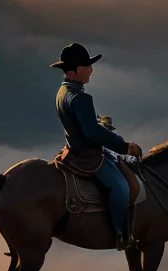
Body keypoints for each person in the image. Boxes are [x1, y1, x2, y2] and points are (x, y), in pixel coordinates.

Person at [52, 43, 143, 250]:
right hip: (87, 154)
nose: (91, 70)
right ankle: (121, 235)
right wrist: (123, 145)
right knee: (121, 187)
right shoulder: (80, 97)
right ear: (75, 69)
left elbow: (85, 124)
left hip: (72, 149)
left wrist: (98, 122)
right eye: (87, 66)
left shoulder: (63, 92)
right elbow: (91, 133)